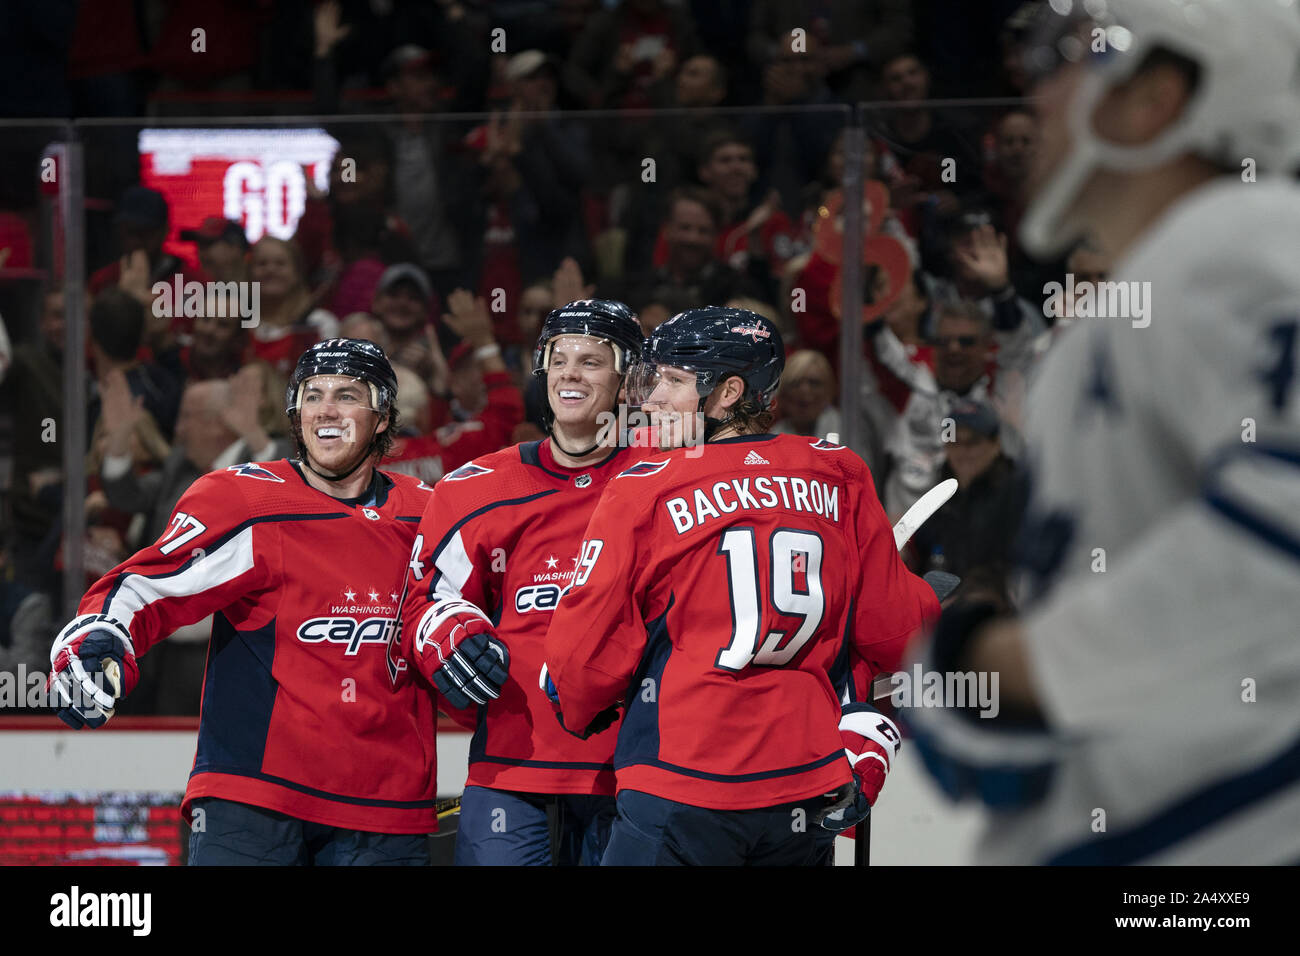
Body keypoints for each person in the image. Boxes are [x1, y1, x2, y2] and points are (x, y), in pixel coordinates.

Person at [904, 0, 1300, 864]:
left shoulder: (1243, 238)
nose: (1035, 97)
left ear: (1157, 96)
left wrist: (1016, 664)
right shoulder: (1131, 307)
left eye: (1070, 57)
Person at [542, 307, 940, 865]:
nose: (652, 398)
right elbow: (894, 633)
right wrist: (926, 598)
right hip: (803, 789)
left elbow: (581, 661)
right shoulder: (839, 471)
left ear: (728, 392)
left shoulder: (645, 486)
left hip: (683, 780)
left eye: (673, 381)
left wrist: (578, 704)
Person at [46, 338, 455, 865]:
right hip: (253, 799)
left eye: (347, 394)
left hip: (385, 806)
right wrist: (99, 636)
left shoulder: (430, 515)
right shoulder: (246, 501)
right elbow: (150, 586)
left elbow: (467, 629)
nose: (326, 408)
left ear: (382, 418)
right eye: (313, 394)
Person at [395, 299, 647, 865]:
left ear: (627, 377)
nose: (570, 374)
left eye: (591, 361)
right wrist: (447, 631)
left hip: (636, 763)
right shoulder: (474, 487)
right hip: (511, 759)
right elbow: (425, 601)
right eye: (558, 359)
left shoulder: (667, 476)